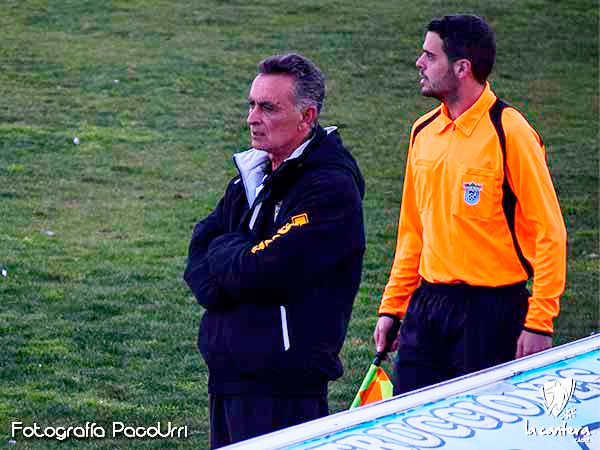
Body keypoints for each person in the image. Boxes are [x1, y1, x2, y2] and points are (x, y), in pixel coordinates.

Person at [373, 14, 566, 395]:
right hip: (427, 308)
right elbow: (413, 231)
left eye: (430, 56)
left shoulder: (510, 132)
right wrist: (392, 307)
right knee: (412, 425)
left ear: (462, 68)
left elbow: (549, 231)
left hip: (492, 312)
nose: (419, 63)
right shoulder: (423, 131)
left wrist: (539, 321)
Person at [184, 53, 365, 448]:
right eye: (251, 105)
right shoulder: (253, 173)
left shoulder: (330, 188)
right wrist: (232, 263)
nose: (252, 118)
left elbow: (263, 270)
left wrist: (229, 255)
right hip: (229, 377)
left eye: (267, 108)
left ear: (306, 117)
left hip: (284, 387)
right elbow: (198, 255)